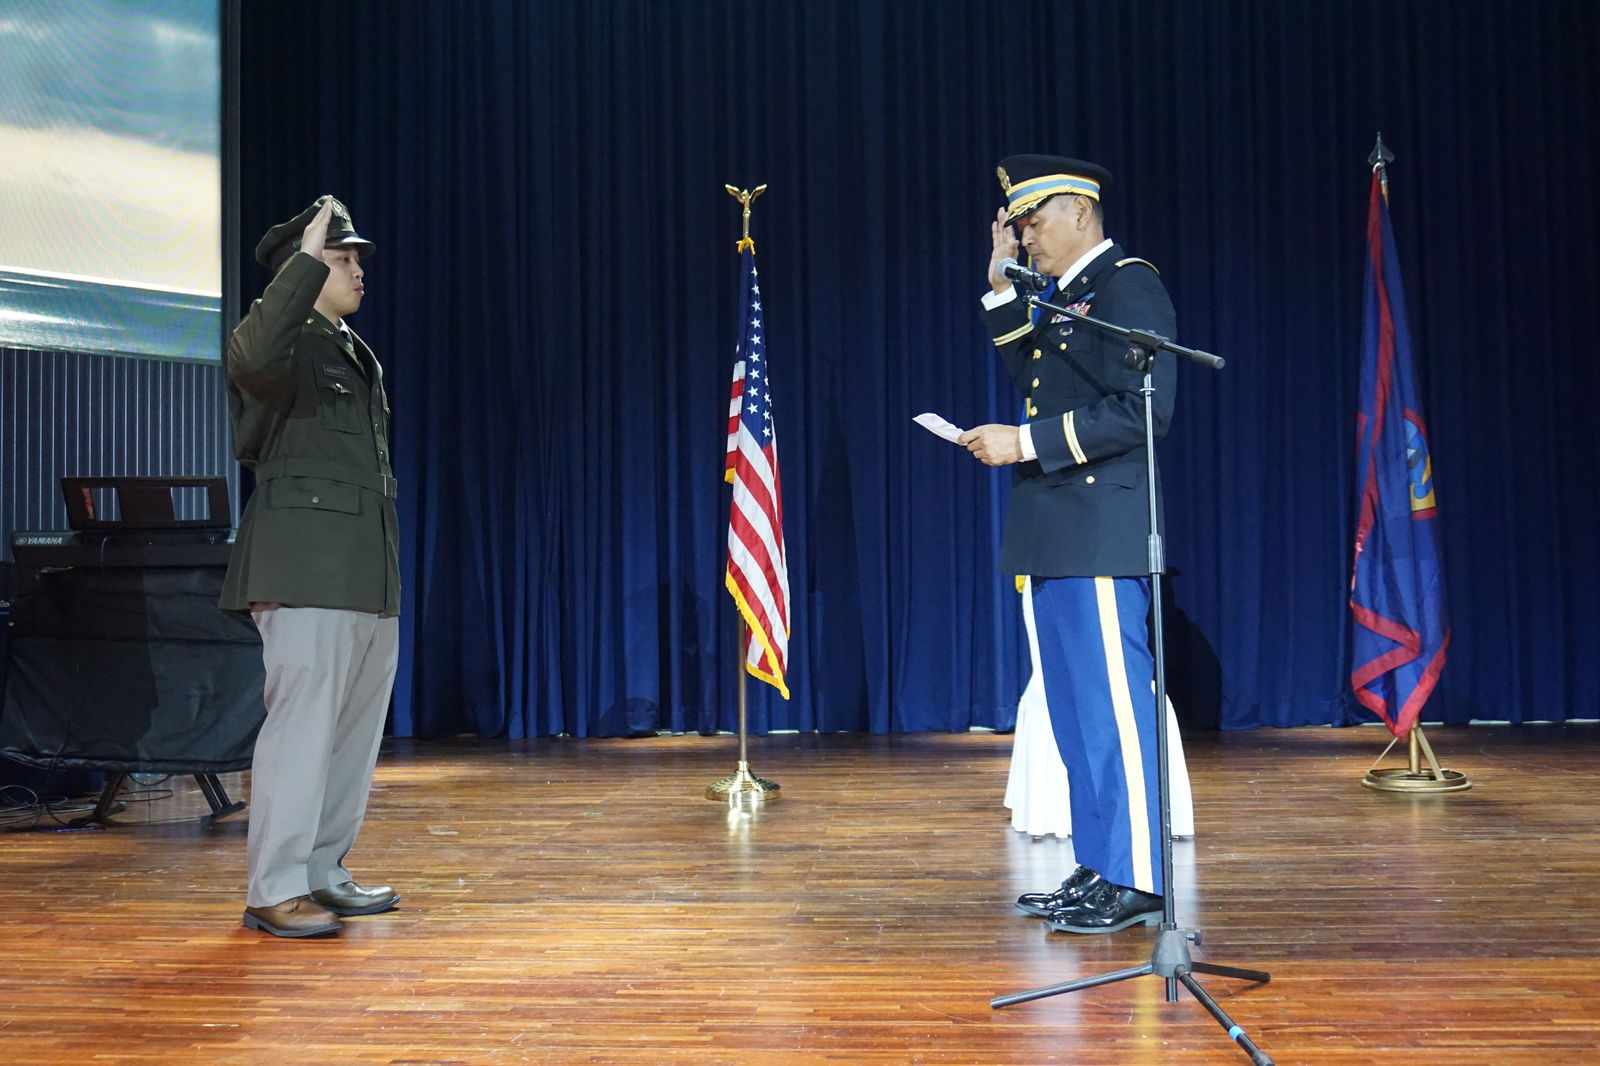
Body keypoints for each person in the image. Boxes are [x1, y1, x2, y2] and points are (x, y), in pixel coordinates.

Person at [960, 155, 1179, 934]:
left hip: (1099, 530)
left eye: (1032, 220)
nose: (1025, 235)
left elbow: (1141, 411)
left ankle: (1143, 877)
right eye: (1017, 225)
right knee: (1078, 714)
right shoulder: (1067, 298)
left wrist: (1023, 443)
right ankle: (1104, 866)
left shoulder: (1127, 284)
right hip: (1058, 532)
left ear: (1079, 211)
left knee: (1116, 712)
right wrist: (1000, 286)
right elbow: (1041, 375)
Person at [222, 195, 402, 937]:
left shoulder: (350, 349)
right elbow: (251, 359)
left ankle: (322, 870)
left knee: (350, 737)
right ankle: (273, 886)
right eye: (341, 256)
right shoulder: (285, 341)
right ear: (300, 270)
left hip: (362, 573)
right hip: (305, 570)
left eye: (355, 257)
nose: (357, 269)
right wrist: (304, 254)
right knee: (301, 733)